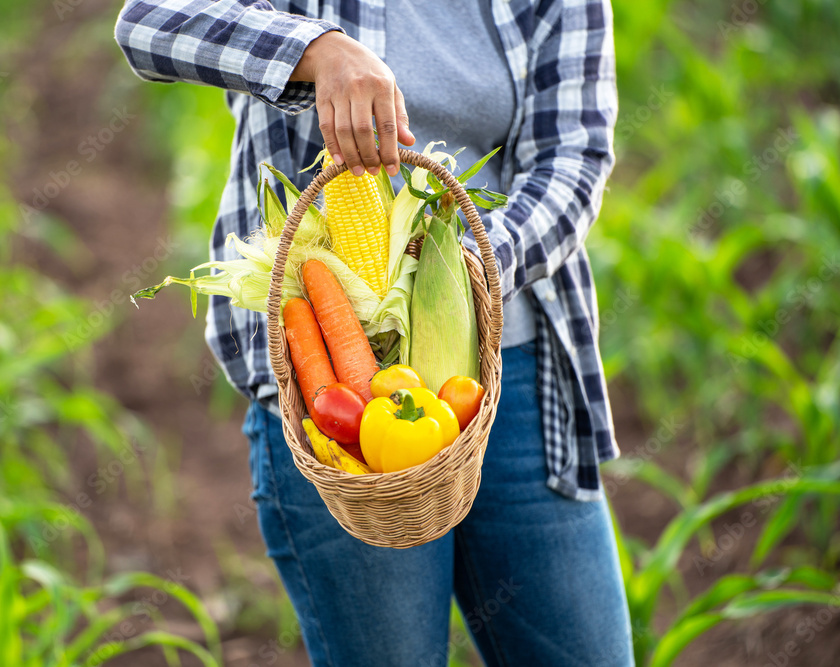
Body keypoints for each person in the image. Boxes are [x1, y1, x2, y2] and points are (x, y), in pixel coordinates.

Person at [115, 1, 633, 664]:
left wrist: (461, 266)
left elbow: (574, 156)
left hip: (514, 376)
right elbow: (149, 22)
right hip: (335, 393)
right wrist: (317, 50)